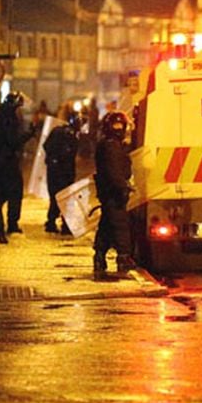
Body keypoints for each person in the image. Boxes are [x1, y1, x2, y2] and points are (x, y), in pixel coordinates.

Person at [93, 110, 136, 278]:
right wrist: (123, 187)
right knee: (120, 226)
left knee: (106, 226)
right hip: (114, 193)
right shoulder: (111, 146)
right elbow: (114, 171)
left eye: (120, 125)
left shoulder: (109, 144)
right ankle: (123, 259)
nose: (118, 128)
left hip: (109, 192)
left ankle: (99, 257)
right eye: (116, 125)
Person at [0, 92, 35, 241]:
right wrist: (29, 135)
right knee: (13, 193)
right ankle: (9, 223)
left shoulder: (0, 114)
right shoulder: (8, 117)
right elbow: (12, 140)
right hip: (7, 160)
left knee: (1, 193)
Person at [43, 110, 82, 234]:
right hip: (63, 171)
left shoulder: (58, 131)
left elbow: (46, 145)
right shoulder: (69, 135)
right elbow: (69, 153)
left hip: (56, 170)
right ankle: (61, 223)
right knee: (64, 197)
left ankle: (54, 221)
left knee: (56, 197)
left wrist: (52, 158)